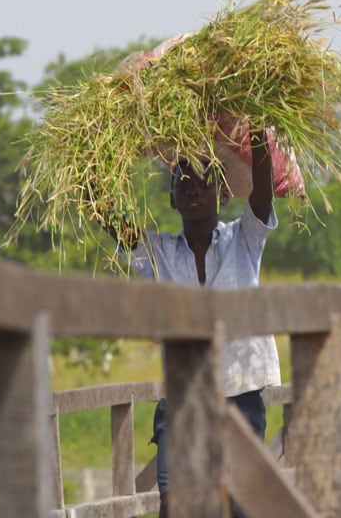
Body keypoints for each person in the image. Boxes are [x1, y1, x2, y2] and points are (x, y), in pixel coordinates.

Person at [114, 130, 277, 518]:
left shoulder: (244, 240)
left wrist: (255, 132)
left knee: (239, 504)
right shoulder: (159, 254)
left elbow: (262, 194)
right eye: (182, 183)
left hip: (240, 392)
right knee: (173, 504)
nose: (193, 190)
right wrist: (96, 168)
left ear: (221, 194)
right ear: (171, 198)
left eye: (204, 183)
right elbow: (111, 220)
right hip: (182, 396)